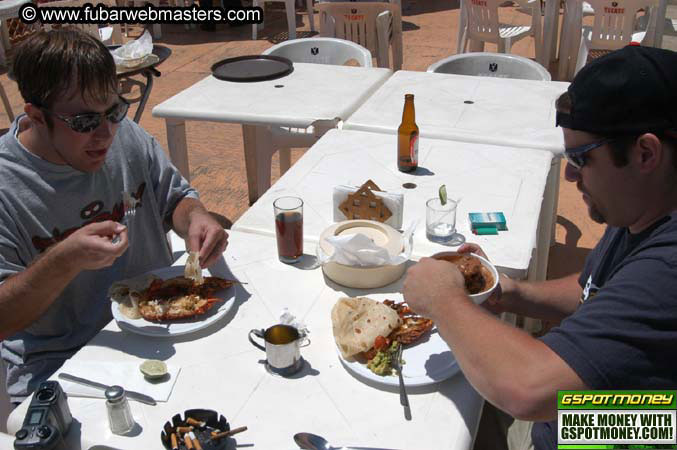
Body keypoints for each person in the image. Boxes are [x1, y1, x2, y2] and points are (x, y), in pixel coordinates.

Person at [403, 45, 677, 450]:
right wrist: (513, 293)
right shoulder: (645, 204)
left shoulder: (668, 266)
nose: (569, 175)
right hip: (618, 418)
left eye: (581, 158)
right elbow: (595, 291)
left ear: (645, 153)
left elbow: (528, 390)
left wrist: (443, 300)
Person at [0, 29, 228, 403]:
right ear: (37, 117)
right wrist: (63, 260)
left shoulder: (128, 137)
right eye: (85, 122)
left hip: (162, 327)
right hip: (64, 364)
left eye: (114, 111)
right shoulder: (7, 186)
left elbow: (177, 201)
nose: (105, 134)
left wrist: (197, 218)